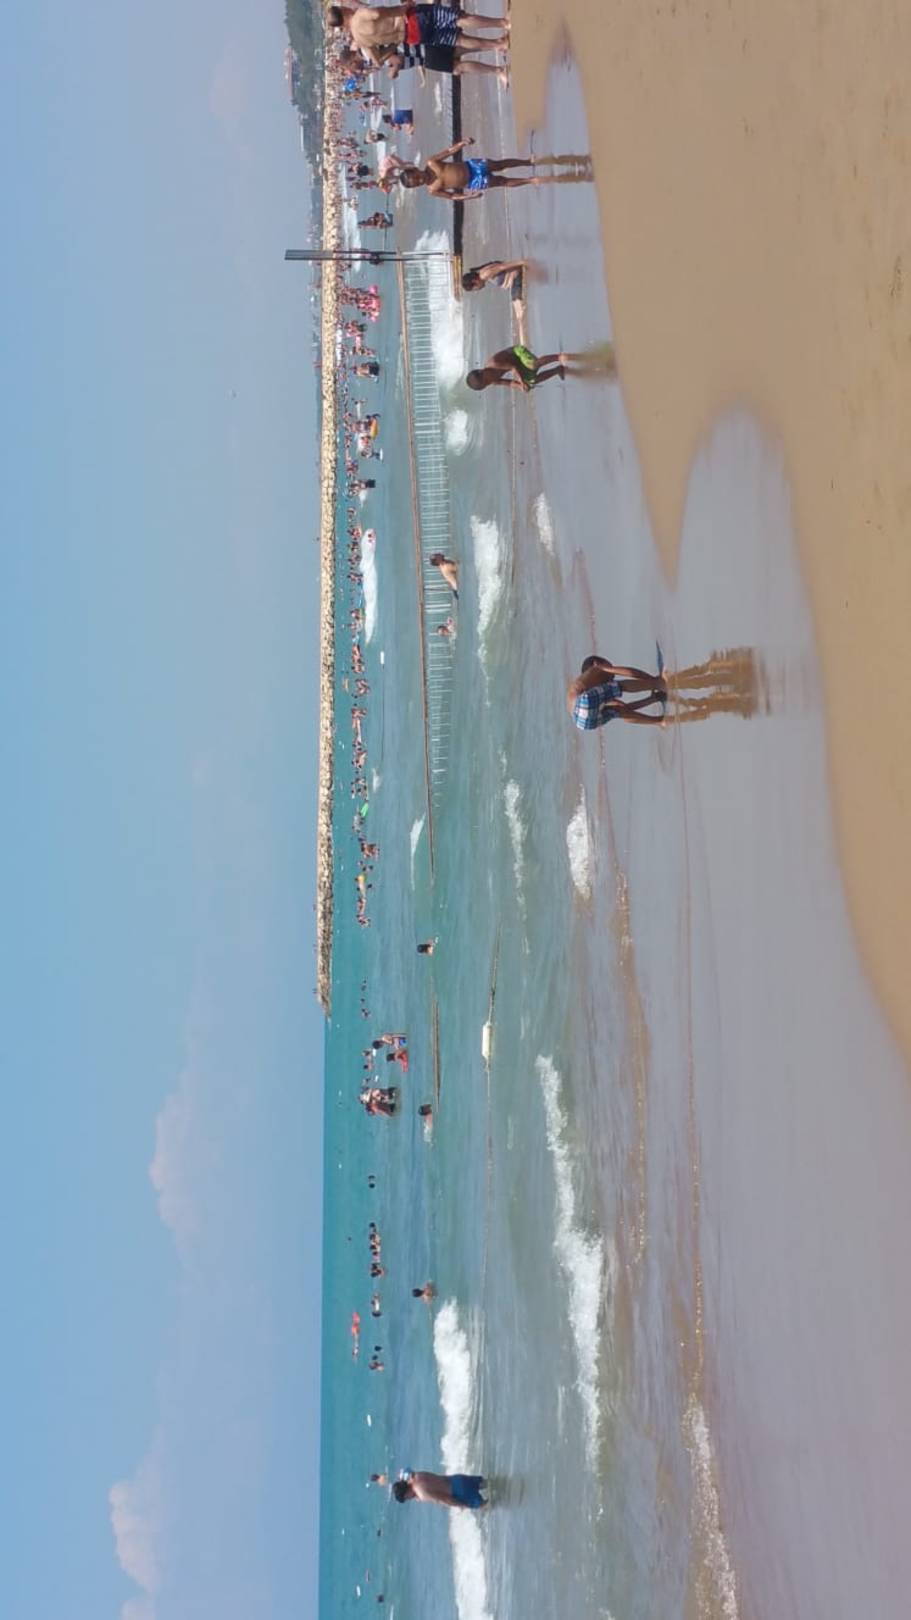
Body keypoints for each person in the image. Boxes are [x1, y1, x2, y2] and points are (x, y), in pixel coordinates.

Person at [329, 5, 510, 60]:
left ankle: (498, 45)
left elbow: (377, 60)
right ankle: (502, 23)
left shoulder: (359, 40)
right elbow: (376, 13)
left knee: (458, 40)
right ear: (342, 11)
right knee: (456, 19)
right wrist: (400, 10)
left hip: (410, 38)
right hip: (411, 20)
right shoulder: (359, 15)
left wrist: (394, 44)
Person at [393, 140, 550, 202]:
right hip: (473, 182)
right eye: (416, 184)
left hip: (472, 166)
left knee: (499, 164)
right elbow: (452, 196)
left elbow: (448, 151)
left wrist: (462, 144)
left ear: (415, 169)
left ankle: (527, 162)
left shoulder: (432, 163)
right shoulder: (432, 189)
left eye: (416, 177)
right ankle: (529, 180)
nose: (419, 181)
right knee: (501, 181)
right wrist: (469, 197)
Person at [567, 655, 668, 729]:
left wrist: (652, 699)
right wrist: (654, 681)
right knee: (621, 686)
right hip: (582, 702)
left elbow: (625, 708)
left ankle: (659, 721)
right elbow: (630, 672)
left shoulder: (594, 691)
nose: (612, 678)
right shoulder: (596, 668)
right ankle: (659, 684)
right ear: (596, 662)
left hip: (582, 724)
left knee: (619, 712)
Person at [467, 346, 568, 392]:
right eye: (486, 384)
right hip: (518, 365)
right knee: (532, 381)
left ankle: (558, 357)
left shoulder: (493, 364)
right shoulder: (493, 381)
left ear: (482, 371)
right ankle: (557, 370)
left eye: (486, 380)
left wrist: (521, 380)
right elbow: (509, 383)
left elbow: (512, 367)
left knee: (533, 365)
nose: (489, 382)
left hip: (517, 354)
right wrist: (521, 386)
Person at [392, 1470, 488, 1509]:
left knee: (486, 1505)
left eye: (407, 1498)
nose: (409, 1499)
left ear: (406, 1494)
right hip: (457, 1479)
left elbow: (444, 1499)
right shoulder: (416, 1475)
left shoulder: (421, 1493)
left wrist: (463, 1505)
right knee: (488, 1483)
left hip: (459, 1492)